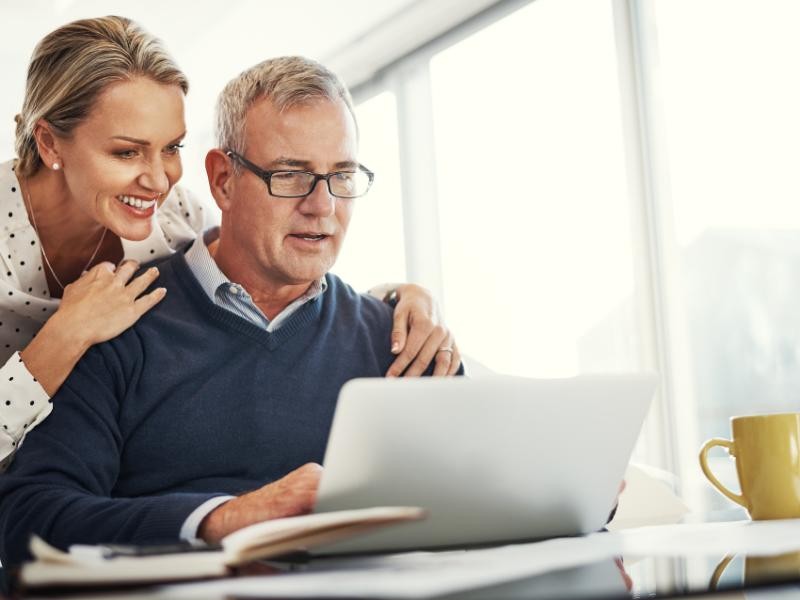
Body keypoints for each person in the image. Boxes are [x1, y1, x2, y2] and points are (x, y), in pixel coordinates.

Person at [0, 54, 464, 568]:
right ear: (223, 180)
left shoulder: (402, 341)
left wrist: (405, 295)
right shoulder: (111, 325)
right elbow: (28, 519)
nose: (323, 206)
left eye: (342, 175)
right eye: (291, 175)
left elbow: (486, 499)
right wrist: (220, 520)